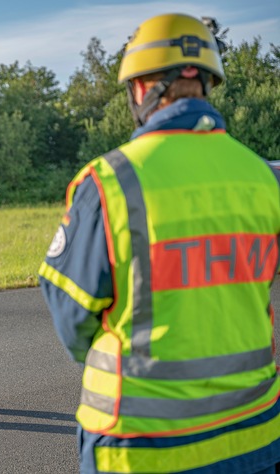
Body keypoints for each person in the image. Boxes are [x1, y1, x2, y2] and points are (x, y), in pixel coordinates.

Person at [38, 13, 280, 474]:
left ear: (141, 89)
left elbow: (72, 320)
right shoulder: (266, 176)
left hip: (143, 447)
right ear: (206, 82)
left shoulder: (111, 181)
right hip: (255, 435)